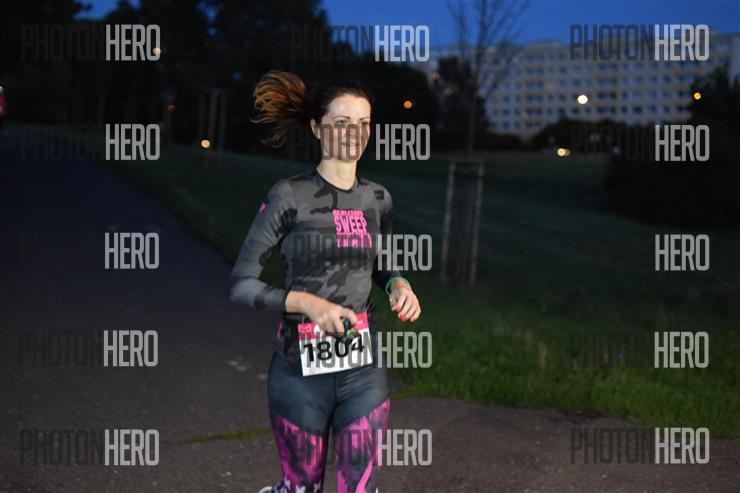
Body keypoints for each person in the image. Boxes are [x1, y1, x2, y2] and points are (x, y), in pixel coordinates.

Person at [230, 70, 421, 493]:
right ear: (317, 128)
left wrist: (398, 285)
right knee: (303, 488)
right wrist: (308, 304)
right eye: (342, 123)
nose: (354, 133)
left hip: (363, 369)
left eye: (363, 123)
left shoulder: (378, 198)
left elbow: (381, 263)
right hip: (299, 370)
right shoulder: (289, 195)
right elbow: (241, 284)